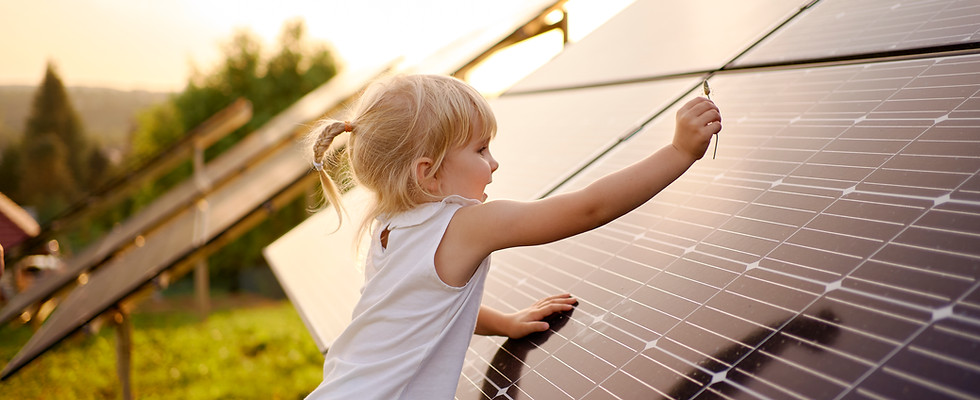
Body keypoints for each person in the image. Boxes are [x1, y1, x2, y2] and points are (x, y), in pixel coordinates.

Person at [304, 74, 721, 399]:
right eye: (481, 150)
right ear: (428, 172)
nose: (494, 163)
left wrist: (505, 323)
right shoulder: (468, 224)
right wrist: (679, 152)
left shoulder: (389, 229)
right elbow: (589, 208)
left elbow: (421, 306)